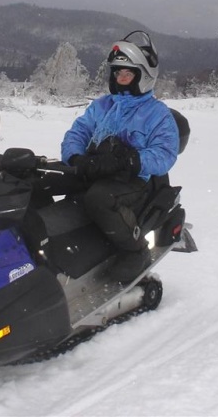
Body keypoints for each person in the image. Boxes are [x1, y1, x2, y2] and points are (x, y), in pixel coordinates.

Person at [61, 31, 179, 283]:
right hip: (99, 169)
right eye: (117, 73)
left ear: (143, 77)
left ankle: (135, 251)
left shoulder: (156, 114)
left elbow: (165, 153)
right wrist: (75, 158)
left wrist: (130, 159)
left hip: (134, 179)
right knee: (50, 181)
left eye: (127, 74)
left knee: (98, 198)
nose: (121, 78)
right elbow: (78, 131)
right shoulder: (103, 105)